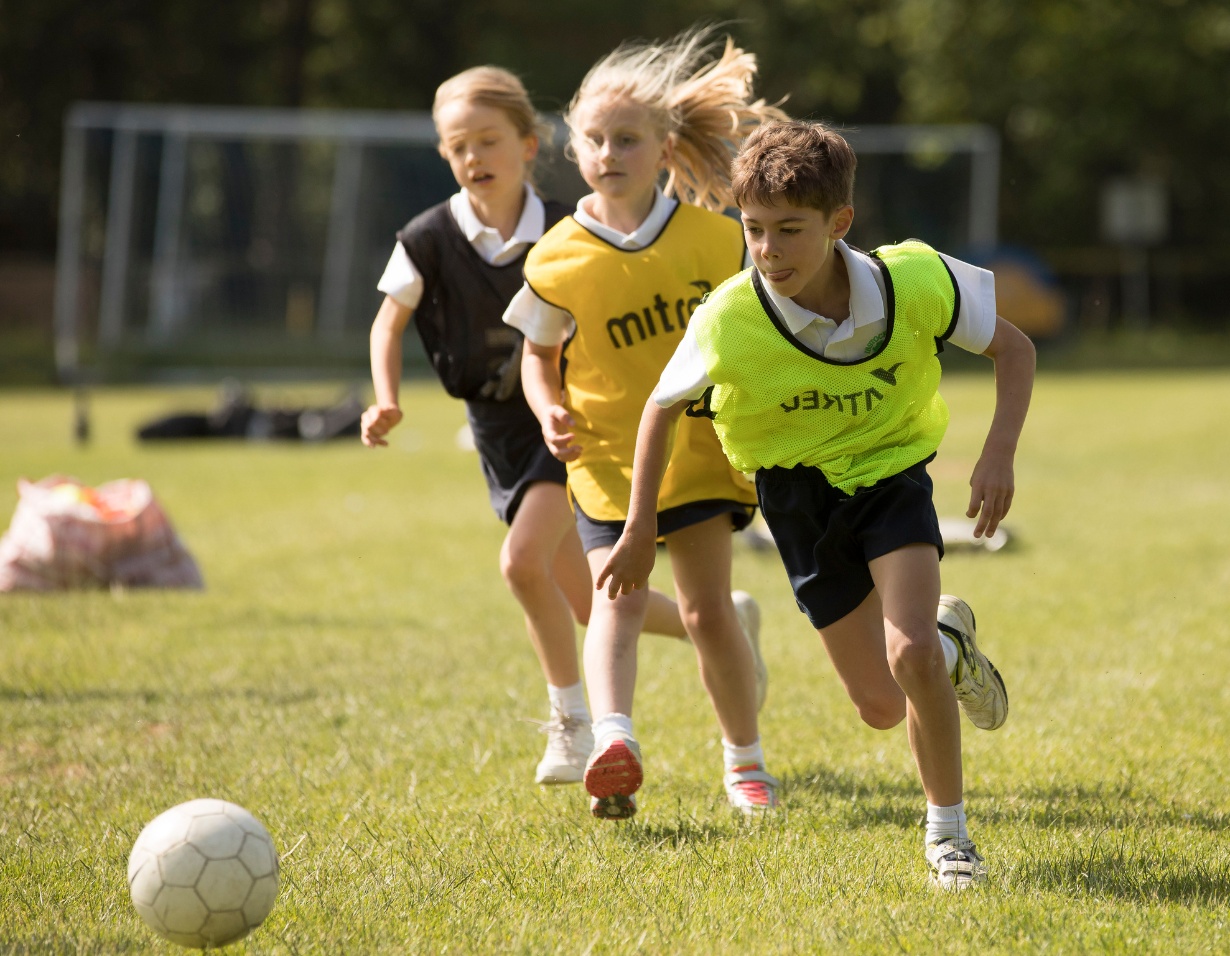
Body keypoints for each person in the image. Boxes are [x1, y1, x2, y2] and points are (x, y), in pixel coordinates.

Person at [600, 120, 1035, 886]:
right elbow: (660, 408)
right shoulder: (731, 316)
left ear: (840, 224)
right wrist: (640, 527)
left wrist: (998, 450)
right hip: (796, 500)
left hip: (892, 475)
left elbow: (1015, 349)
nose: (767, 251)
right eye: (754, 230)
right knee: (878, 703)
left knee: (910, 661)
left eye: (789, 231)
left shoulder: (916, 281)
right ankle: (951, 641)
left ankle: (949, 839)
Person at [360, 65, 692, 788]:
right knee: (587, 599)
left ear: (530, 143)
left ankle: (571, 725)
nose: (474, 157)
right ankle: (715, 621)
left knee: (520, 564)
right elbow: (389, 324)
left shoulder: (574, 228)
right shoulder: (425, 238)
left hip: (569, 419)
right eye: (457, 147)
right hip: (496, 431)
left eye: (488, 140)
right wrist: (385, 398)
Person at [505, 28, 785, 821]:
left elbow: (759, 331)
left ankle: (746, 762)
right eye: (592, 139)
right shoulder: (555, 257)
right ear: (573, 147)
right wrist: (548, 404)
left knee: (705, 613)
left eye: (626, 138)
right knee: (611, 602)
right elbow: (536, 353)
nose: (607, 152)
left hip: (697, 458)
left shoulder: (717, 238)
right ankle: (613, 743)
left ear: (665, 146)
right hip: (604, 464)